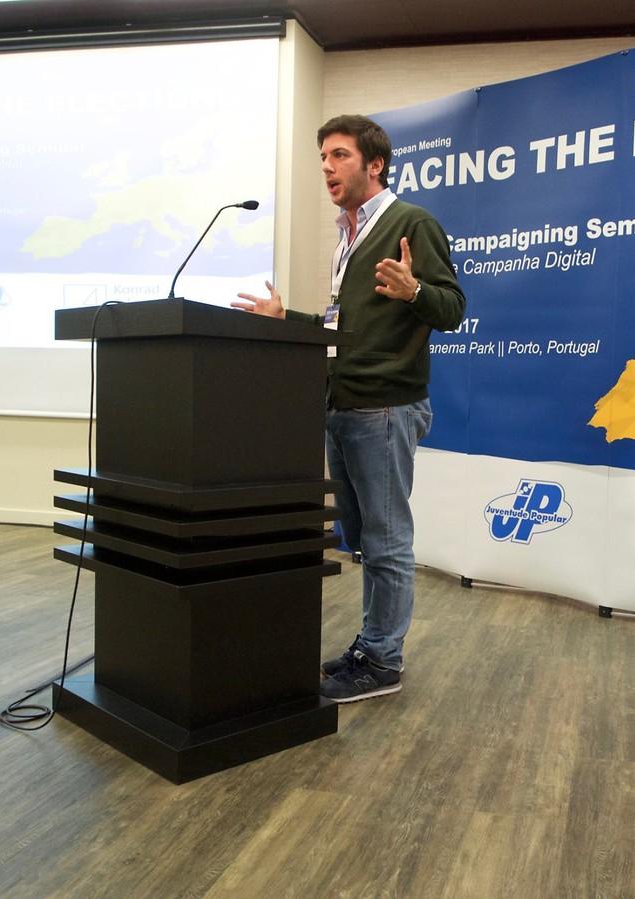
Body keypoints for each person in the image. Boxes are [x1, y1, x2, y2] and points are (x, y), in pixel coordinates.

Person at [232, 114, 466, 702]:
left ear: (375, 164)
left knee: (386, 540)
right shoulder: (348, 236)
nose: (327, 168)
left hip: (383, 406)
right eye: (323, 159)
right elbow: (343, 327)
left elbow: (453, 309)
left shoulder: (411, 223)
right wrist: (287, 319)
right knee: (362, 536)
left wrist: (416, 290)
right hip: (342, 403)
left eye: (339, 156)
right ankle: (371, 643)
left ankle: (383, 662)